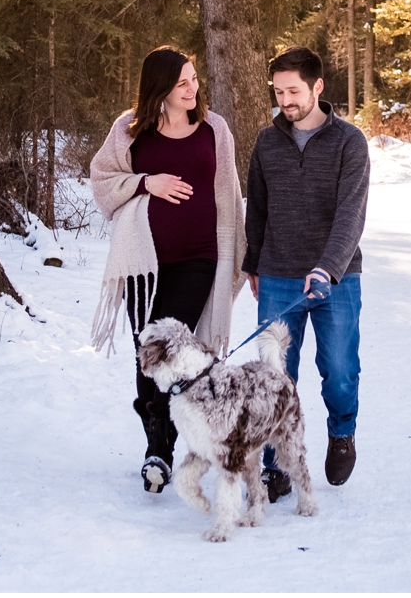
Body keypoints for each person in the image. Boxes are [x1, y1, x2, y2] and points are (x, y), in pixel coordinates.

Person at [88, 46, 246, 494]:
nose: (193, 88)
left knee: (171, 346)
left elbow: (229, 196)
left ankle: (168, 443)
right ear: (161, 89)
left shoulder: (214, 129)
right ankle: (156, 446)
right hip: (143, 262)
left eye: (194, 79)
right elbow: (102, 179)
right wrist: (145, 182)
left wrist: (240, 253)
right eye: (182, 83)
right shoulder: (129, 130)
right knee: (148, 352)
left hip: (199, 258)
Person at [243, 45, 370, 502]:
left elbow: (351, 215)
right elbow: (256, 207)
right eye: (278, 92)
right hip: (277, 273)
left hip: (337, 277)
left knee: (338, 369)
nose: (285, 100)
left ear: (318, 87)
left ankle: (342, 432)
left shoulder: (349, 142)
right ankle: (277, 463)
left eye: (293, 91)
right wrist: (252, 261)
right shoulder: (266, 141)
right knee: (276, 375)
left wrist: (327, 268)